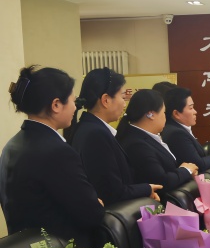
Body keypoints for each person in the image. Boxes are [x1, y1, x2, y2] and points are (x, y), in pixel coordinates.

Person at [0, 66, 104, 248]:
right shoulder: (57, 152)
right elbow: (91, 214)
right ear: (56, 105)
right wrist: (96, 203)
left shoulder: (12, 145)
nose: (75, 107)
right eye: (72, 100)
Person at [66, 68, 163, 206]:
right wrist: (146, 189)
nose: (124, 103)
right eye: (122, 97)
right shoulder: (96, 134)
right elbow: (111, 191)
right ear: (106, 100)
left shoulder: (88, 127)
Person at [117, 89, 199, 192]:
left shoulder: (145, 136)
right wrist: (185, 170)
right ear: (151, 114)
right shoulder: (137, 144)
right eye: (163, 112)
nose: (165, 117)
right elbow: (161, 181)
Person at [161, 86, 210, 172]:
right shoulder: (176, 134)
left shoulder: (177, 128)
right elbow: (197, 165)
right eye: (191, 108)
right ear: (176, 113)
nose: (195, 112)